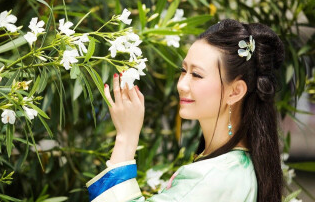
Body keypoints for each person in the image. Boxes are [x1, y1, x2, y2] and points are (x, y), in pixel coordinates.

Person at [86, 19, 285, 202]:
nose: (182, 84)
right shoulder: (238, 167)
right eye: (183, 71)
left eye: (196, 75)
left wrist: (126, 138)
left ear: (235, 92)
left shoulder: (214, 177)